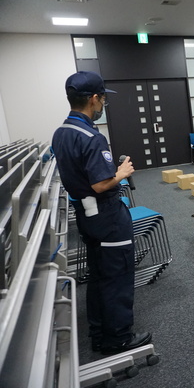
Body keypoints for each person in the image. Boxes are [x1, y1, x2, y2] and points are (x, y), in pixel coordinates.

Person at [52, 71, 152, 354]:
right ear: (94, 99)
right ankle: (118, 337)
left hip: (85, 214)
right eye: (103, 99)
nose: (103, 104)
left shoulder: (61, 132)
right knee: (117, 274)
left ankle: (98, 333)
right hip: (107, 216)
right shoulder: (92, 137)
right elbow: (99, 183)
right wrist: (121, 173)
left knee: (98, 275)